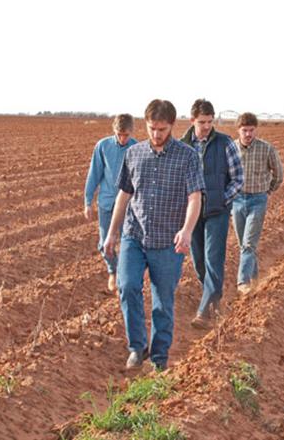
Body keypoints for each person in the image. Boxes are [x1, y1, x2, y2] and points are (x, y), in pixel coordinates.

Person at [103, 99, 205, 370]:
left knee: (163, 301)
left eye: (161, 129)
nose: (156, 134)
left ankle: (159, 358)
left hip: (168, 242)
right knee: (127, 286)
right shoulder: (134, 154)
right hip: (134, 235)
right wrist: (112, 233)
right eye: (151, 128)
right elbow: (124, 195)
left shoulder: (187, 156)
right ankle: (137, 347)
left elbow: (195, 197)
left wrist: (186, 231)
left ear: (172, 125)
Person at [181, 99, 244, 329]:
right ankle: (214, 299)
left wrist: (222, 199)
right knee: (199, 261)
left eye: (209, 121)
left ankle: (203, 311)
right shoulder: (182, 145)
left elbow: (238, 178)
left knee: (213, 258)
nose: (207, 126)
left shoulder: (225, 143)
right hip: (193, 212)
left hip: (217, 211)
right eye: (202, 122)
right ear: (192, 120)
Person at [83, 114, 138, 292]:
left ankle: (123, 276)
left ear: (131, 132)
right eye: (119, 134)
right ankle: (112, 270)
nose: (123, 138)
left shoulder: (137, 148)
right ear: (114, 131)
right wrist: (87, 201)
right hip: (107, 202)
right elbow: (94, 174)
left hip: (129, 205)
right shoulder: (103, 146)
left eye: (126, 135)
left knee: (127, 242)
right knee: (105, 242)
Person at [231, 112, 284, 295]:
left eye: (251, 130)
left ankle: (243, 282)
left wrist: (267, 191)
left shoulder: (266, 149)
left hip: (257, 200)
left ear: (256, 130)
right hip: (237, 201)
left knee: (248, 243)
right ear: (238, 130)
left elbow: (279, 174)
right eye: (244, 130)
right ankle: (254, 279)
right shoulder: (231, 149)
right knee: (243, 244)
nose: (248, 134)